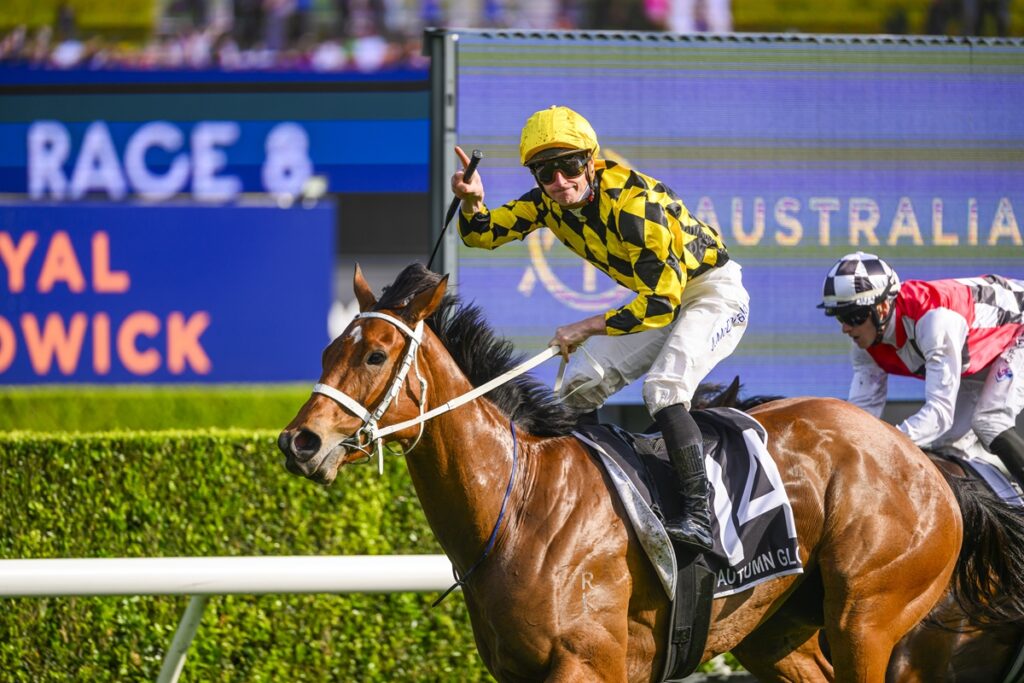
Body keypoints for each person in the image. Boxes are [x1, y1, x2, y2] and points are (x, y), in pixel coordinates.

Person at [451, 105, 750, 551]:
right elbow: (482, 235)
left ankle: (699, 517)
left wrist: (585, 327)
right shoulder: (545, 203)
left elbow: (661, 305)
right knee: (578, 386)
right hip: (662, 299)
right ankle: (590, 499)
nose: (560, 182)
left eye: (570, 166)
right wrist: (473, 201)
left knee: (663, 390)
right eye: (545, 173)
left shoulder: (634, 206)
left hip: (711, 294)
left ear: (590, 161)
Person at [819, 251, 1024, 483]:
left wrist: (885, 444)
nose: (845, 328)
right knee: (948, 446)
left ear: (883, 308)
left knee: (990, 420)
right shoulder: (864, 345)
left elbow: (940, 413)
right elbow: (861, 416)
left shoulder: (934, 322)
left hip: (1018, 326)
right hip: (983, 356)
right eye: (839, 317)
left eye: (853, 316)